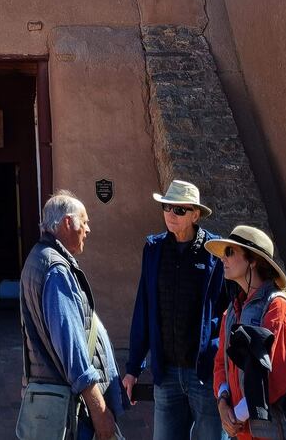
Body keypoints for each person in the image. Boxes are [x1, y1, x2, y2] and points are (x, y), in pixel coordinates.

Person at [17, 189, 125, 440]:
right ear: (67, 222)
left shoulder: (38, 259)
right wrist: (99, 411)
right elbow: (72, 348)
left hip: (57, 397)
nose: (88, 230)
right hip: (73, 409)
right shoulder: (56, 270)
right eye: (84, 222)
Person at [123, 179, 226, 440]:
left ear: (195, 214)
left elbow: (228, 314)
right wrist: (133, 368)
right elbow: (143, 309)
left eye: (179, 210)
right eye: (167, 207)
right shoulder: (154, 250)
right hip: (166, 373)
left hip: (204, 374)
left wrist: (224, 366)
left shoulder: (215, 254)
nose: (170, 214)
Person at [206, 225, 286, 439]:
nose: (223, 259)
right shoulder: (231, 311)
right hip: (246, 432)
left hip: (281, 431)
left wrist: (236, 416)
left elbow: (276, 374)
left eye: (230, 252)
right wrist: (222, 402)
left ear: (253, 260)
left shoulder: (277, 307)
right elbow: (220, 363)